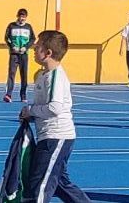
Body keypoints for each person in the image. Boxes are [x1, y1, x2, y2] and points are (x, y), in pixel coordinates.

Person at [22, 30, 92, 203]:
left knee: (40, 185)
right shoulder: (43, 75)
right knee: (60, 183)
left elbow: (55, 107)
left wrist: (30, 110)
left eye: (37, 46)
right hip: (47, 135)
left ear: (48, 53)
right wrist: (31, 115)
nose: (33, 48)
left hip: (56, 136)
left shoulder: (56, 76)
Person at [5, 9, 36, 103]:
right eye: (21, 16)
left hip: (24, 54)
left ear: (26, 17)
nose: (22, 18)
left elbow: (33, 39)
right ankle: (8, 95)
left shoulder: (28, 27)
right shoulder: (11, 26)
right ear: (17, 16)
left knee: (24, 75)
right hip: (14, 54)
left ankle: (23, 95)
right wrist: (12, 46)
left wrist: (25, 47)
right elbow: (6, 38)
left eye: (24, 17)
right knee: (11, 74)